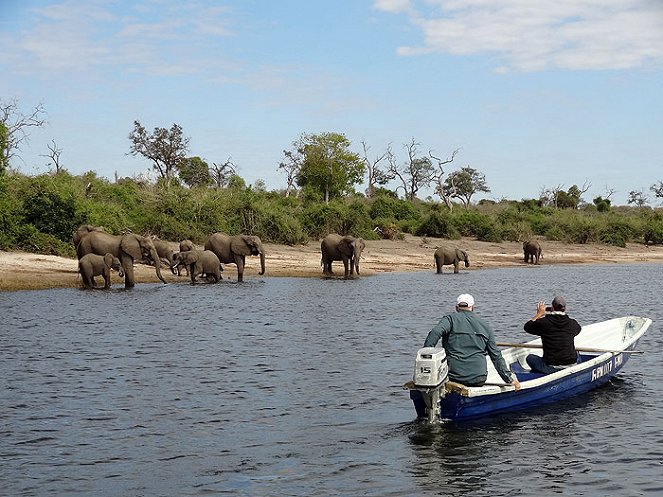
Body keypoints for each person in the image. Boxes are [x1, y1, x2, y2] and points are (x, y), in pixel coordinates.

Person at [423, 293, 520, 390]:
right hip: (478, 378)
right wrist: (509, 380)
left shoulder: (450, 319)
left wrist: (426, 356)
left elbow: (435, 332)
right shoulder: (485, 325)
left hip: (454, 377)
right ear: (473, 307)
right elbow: (496, 356)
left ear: (457, 307)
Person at [524, 295, 582, 374]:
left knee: (529, 358)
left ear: (552, 307)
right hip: (571, 364)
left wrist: (539, 314)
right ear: (565, 309)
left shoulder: (544, 323)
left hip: (551, 367)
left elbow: (527, 327)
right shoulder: (572, 323)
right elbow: (578, 329)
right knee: (577, 353)